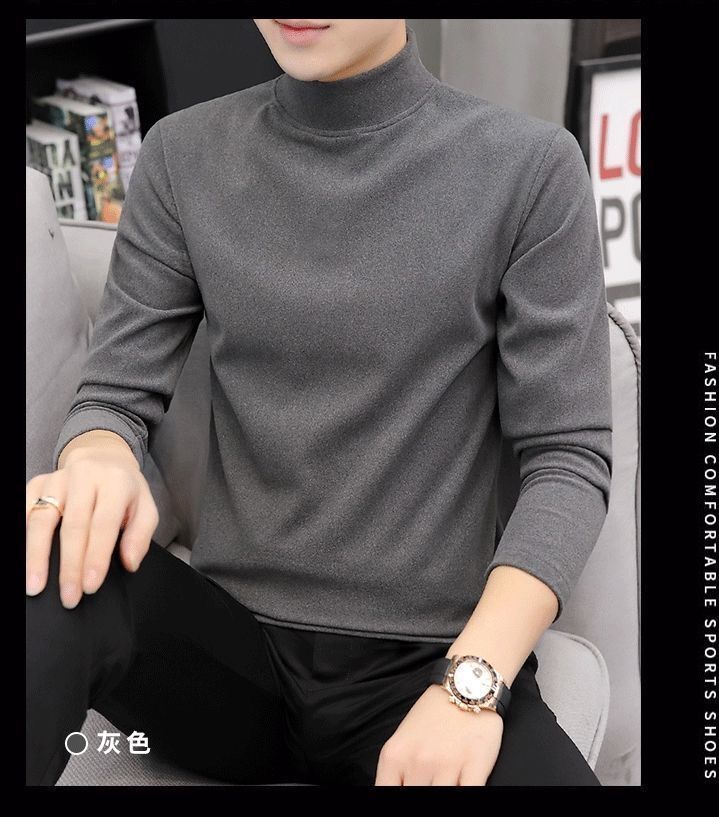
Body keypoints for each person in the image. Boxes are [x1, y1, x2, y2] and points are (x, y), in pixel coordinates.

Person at [26, 20, 612, 786]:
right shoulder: (180, 156)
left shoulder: (529, 169)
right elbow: (114, 394)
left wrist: (470, 687)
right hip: (231, 663)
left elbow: (568, 460)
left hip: (426, 668)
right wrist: (97, 450)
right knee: (48, 560)